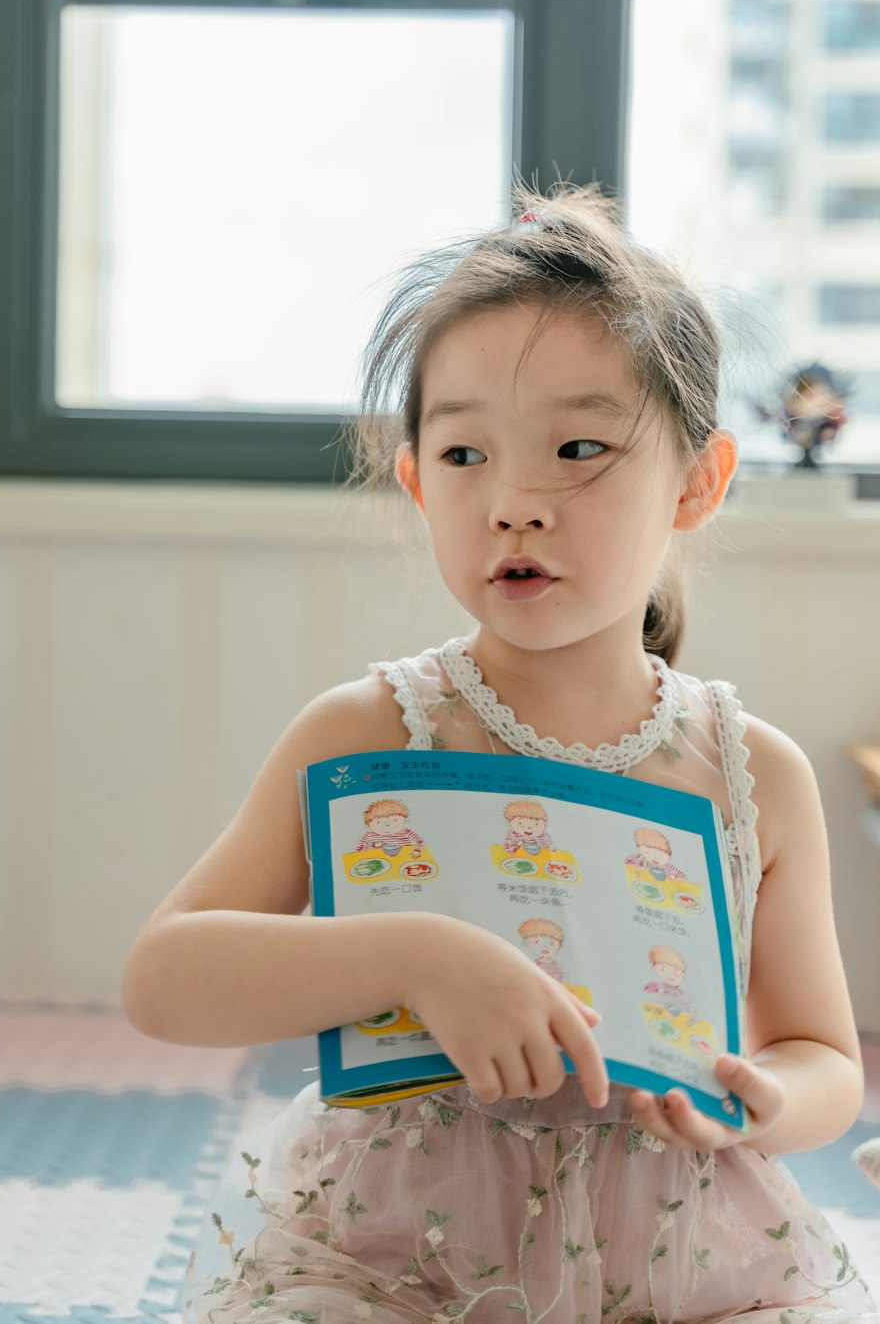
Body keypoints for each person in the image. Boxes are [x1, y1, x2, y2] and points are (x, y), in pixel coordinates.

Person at [121, 186, 876, 1322]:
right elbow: (165, 978)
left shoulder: (749, 771)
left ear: (696, 482)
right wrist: (412, 953)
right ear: (417, 479)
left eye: (578, 447)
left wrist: (760, 1100)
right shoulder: (371, 731)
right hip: (395, 1250)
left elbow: (824, 1053)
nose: (514, 502)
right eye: (466, 451)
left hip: (682, 1258)